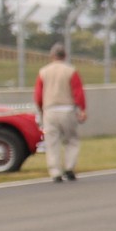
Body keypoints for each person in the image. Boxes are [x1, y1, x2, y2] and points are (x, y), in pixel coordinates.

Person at [34, 42, 86, 183]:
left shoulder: (43, 72)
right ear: (65, 56)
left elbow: (38, 94)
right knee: (71, 140)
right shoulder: (71, 71)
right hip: (67, 109)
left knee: (52, 142)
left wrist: (41, 108)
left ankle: (55, 171)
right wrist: (82, 109)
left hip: (50, 110)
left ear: (52, 55)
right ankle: (69, 167)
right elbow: (78, 92)